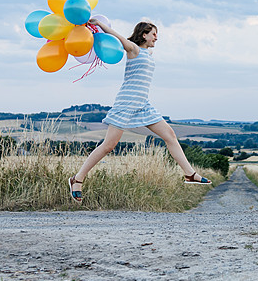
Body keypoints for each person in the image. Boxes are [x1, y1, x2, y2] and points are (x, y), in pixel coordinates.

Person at [69, 19, 212, 203]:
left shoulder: (146, 53)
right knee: (108, 146)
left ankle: (189, 174)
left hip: (143, 104)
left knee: (170, 135)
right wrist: (100, 25)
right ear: (144, 34)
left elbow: (145, 52)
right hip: (126, 103)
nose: (156, 38)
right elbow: (119, 38)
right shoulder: (133, 50)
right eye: (154, 34)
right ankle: (77, 179)